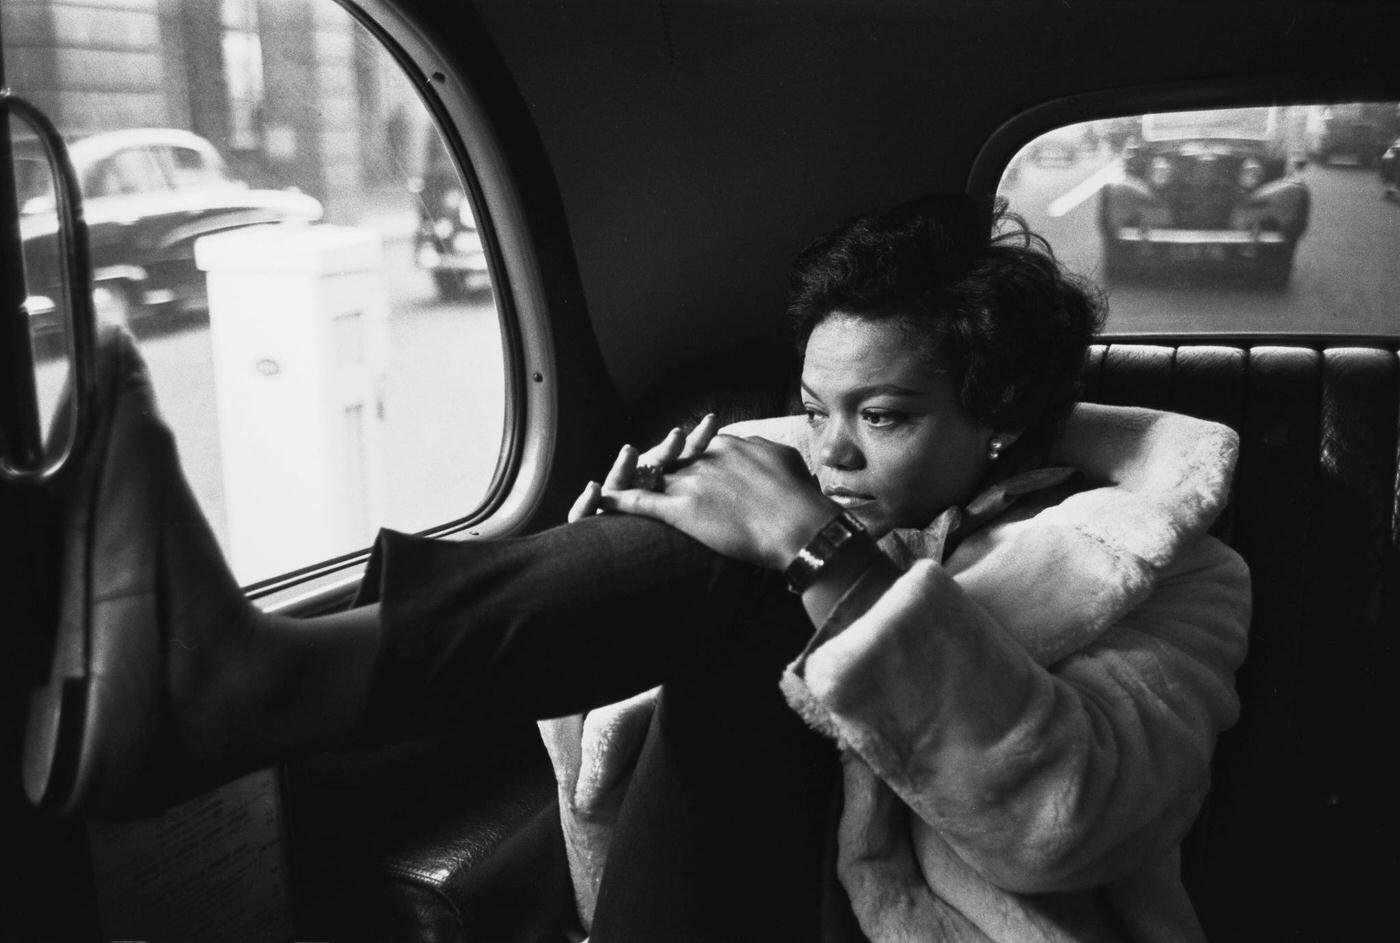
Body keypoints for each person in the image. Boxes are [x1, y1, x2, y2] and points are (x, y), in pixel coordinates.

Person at [23, 196, 1249, 943]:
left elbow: (1071, 822)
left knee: (746, 556)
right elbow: (613, 758)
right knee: (712, 552)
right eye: (812, 407)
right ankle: (238, 683)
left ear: (999, 414)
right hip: (722, 889)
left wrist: (814, 557)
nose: (828, 450)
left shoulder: (1163, 564)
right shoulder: (779, 477)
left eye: (878, 416)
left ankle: (243, 688)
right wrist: (620, 554)